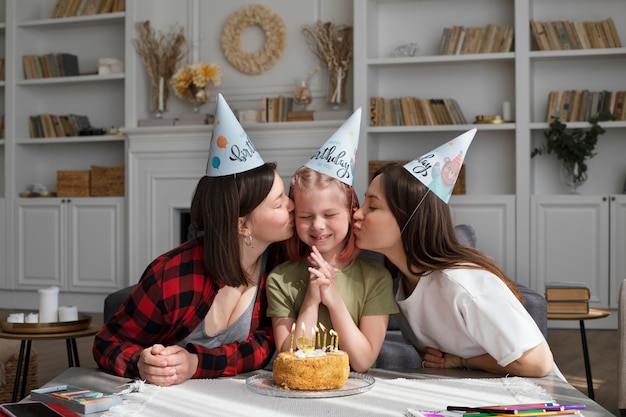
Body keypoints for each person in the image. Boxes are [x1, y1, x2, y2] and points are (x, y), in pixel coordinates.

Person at [93, 94, 294, 386]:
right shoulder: (171, 276)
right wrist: (142, 362)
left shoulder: (280, 263)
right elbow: (106, 344)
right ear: (242, 225)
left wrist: (196, 363)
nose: (292, 206)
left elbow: (264, 346)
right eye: (279, 203)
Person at [352, 129, 555, 377]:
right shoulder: (399, 283)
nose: (357, 214)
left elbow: (538, 363)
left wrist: (462, 361)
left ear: (408, 220)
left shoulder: (464, 285)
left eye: (372, 206)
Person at [266, 109, 398, 372]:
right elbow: (291, 359)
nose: (317, 225)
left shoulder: (375, 278)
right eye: (306, 215)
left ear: (352, 214)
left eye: (329, 215)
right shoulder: (280, 279)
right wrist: (311, 300)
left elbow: (362, 361)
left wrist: (333, 297)